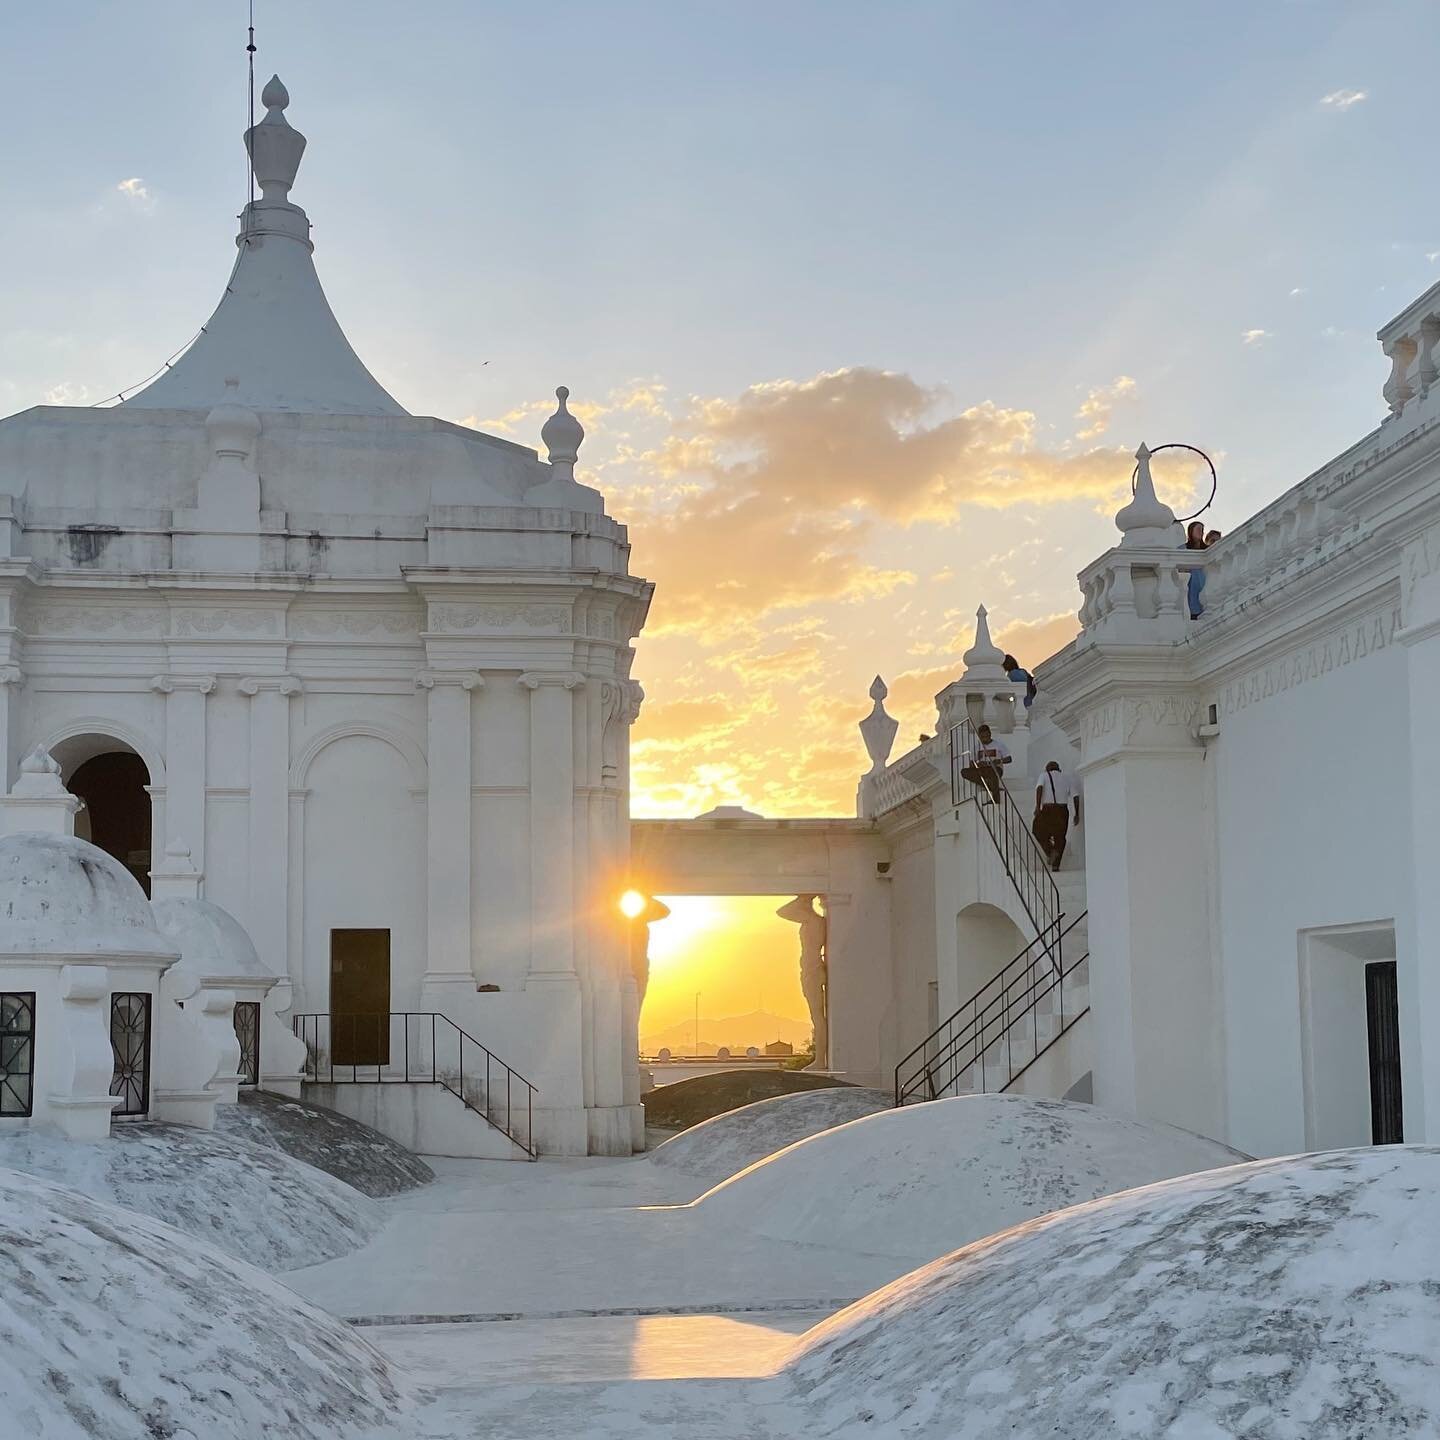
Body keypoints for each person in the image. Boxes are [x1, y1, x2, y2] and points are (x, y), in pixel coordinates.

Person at [1033, 760, 1081, 871]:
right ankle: (1056, 865)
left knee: (1037, 829)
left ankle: (1050, 851)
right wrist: (1076, 813)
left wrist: (1038, 806)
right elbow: (1076, 796)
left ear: (1047, 769)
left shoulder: (1044, 775)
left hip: (1048, 809)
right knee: (1060, 838)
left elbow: (1039, 788)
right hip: (1062, 810)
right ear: (1059, 769)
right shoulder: (1067, 778)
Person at [960, 723, 1010, 803]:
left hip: (995, 769)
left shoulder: (999, 745)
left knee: (992, 772)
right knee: (964, 772)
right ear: (979, 736)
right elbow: (972, 763)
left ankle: (996, 798)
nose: (985, 739)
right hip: (982, 769)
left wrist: (999, 761)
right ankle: (991, 786)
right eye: (982, 737)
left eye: (987, 736)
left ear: (990, 734)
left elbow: (1009, 758)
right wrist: (977, 764)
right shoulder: (977, 747)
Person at [1183, 520, 1211, 620]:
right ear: (1191, 531)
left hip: (1204, 582)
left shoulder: (1208, 550)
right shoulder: (1184, 549)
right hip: (1191, 584)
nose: (1201, 532)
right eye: (1198, 529)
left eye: (1202, 530)